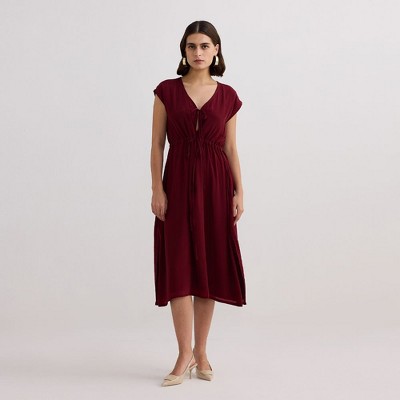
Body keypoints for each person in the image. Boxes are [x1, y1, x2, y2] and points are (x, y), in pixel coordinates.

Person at [150, 20, 246, 387]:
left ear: (216, 50)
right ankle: (183, 353)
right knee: (178, 268)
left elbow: (231, 147)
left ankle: (201, 352)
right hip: (176, 184)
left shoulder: (228, 96)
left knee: (208, 267)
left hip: (216, 186)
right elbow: (157, 145)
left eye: (205, 46)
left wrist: (239, 191)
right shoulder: (166, 91)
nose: (198, 52)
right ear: (184, 51)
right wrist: (157, 189)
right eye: (192, 46)